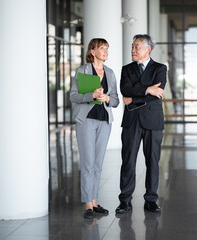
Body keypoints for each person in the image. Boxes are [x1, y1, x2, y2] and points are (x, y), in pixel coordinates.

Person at [115, 34, 167, 214]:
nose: (133, 50)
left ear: (148, 49)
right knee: (128, 161)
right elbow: (124, 90)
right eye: (132, 46)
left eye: (137, 47)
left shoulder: (160, 68)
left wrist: (134, 96)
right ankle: (125, 200)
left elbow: (157, 93)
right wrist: (147, 89)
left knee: (152, 161)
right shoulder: (126, 69)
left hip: (153, 120)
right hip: (132, 121)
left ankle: (151, 199)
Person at [70, 38, 119, 219]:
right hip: (86, 121)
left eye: (107, 48)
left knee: (98, 164)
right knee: (88, 163)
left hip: (104, 121)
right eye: (102, 48)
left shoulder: (111, 73)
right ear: (92, 51)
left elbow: (115, 100)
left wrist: (106, 98)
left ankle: (95, 201)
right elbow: (73, 96)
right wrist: (91, 95)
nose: (106, 51)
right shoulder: (82, 71)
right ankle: (88, 204)